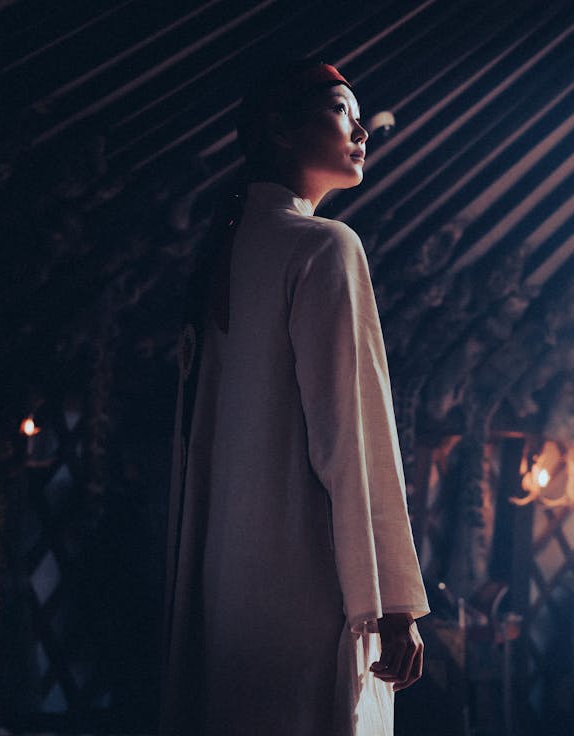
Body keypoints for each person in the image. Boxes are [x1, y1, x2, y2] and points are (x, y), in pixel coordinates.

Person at [161, 60, 429, 736]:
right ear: (280, 129)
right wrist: (392, 599)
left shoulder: (220, 258)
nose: (364, 128)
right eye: (343, 110)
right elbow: (352, 435)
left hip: (225, 597)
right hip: (311, 586)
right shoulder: (325, 247)